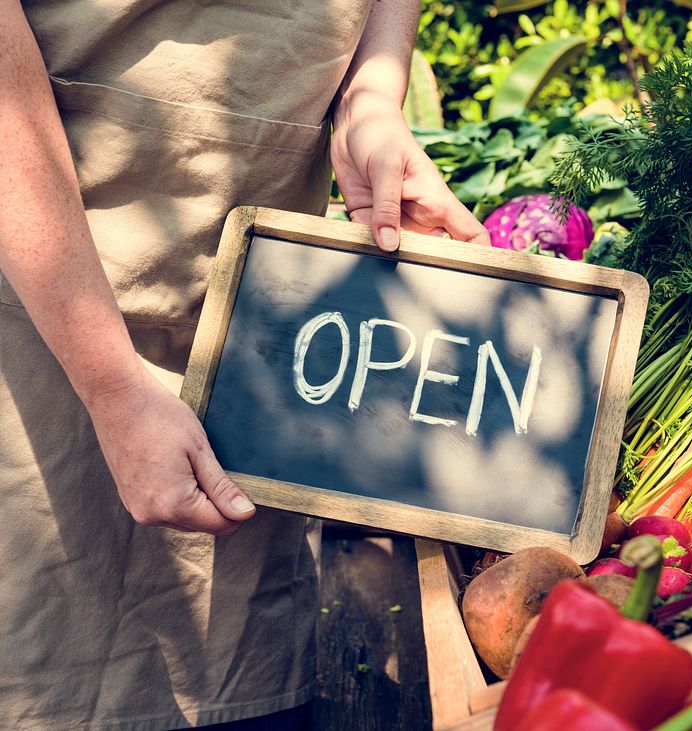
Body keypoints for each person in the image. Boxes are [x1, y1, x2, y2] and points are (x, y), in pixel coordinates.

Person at [0, 1, 488, 728]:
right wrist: (110, 385)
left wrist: (370, 95)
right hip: (51, 299)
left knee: (238, 676)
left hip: (256, 311)